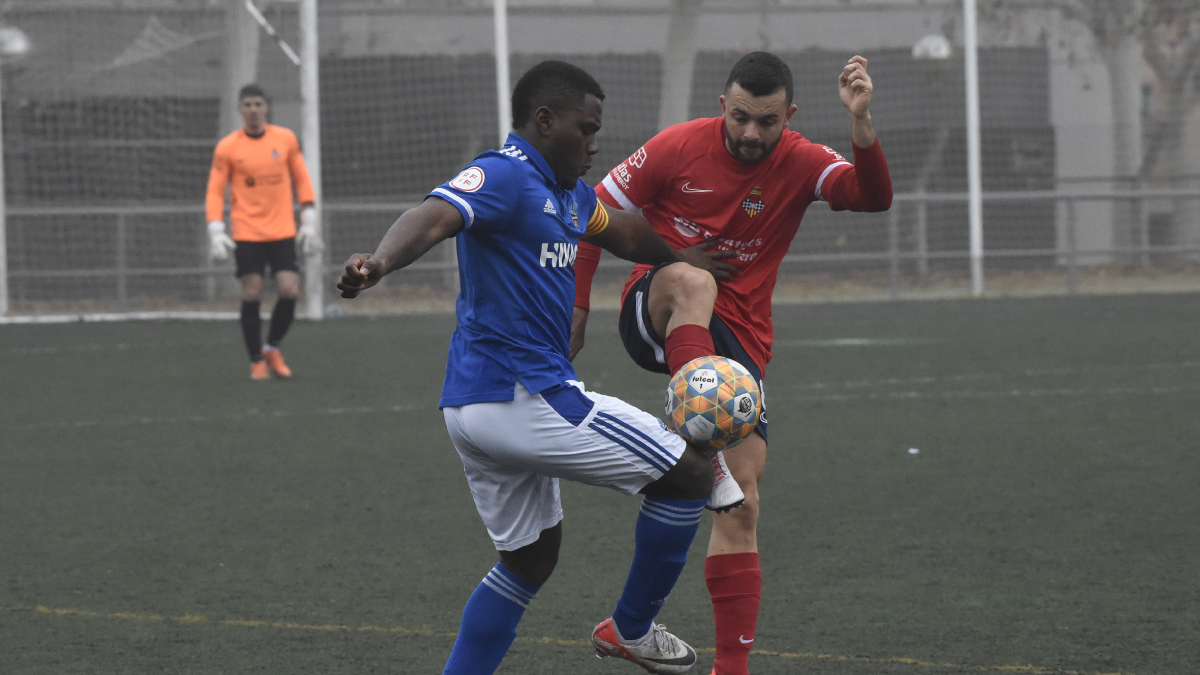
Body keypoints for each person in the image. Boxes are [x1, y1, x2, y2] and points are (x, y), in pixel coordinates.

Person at [336, 60, 734, 675]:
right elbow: (436, 215)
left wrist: (682, 256)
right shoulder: (504, 174)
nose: (595, 143)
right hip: (521, 394)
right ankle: (631, 629)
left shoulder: (570, 195)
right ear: (545, 122)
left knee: (530, 560)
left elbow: (623, 235)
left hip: (475, 407)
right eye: (587, 127)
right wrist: (380, 262)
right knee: (690, 471)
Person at [572, 52, 893, 675]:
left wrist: (862, 123)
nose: (751, 132)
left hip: (740, 350)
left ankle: (707, 659)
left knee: (739, 504)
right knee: (692, 278)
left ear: (788, 117)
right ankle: (694, 396)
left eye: (766, 122)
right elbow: (589, 213)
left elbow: (870, 197)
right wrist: (578, 310)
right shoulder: (676, 146)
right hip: (658, 311)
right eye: (741, 117)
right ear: (723, 105)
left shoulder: (801, 159)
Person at [205, 84, 322, 380]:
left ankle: (272, 347)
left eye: (258, 103)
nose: (253, 109)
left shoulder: (284, 139)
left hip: (282, 230)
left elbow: (302, 180)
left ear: (266, 107)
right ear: (239, 109)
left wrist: (308, 221)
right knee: (252, 293)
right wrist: (216, 230)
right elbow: (215, 190)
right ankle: (256, 360)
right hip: (247, 232)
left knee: (290, 290)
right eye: (247, 104)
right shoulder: (228, 147)